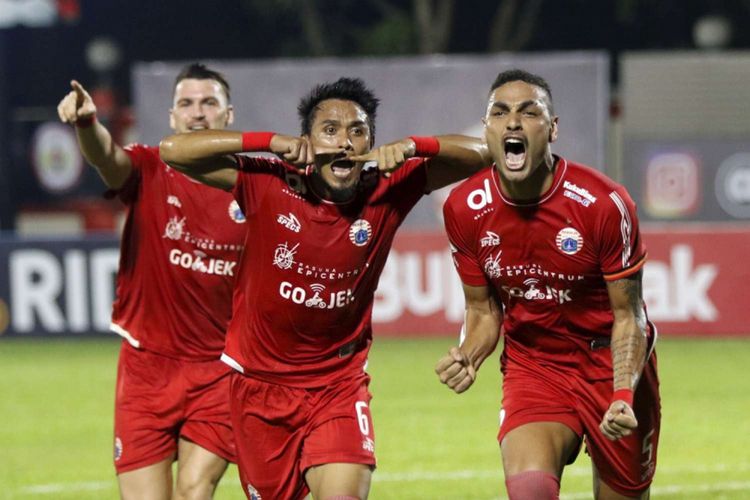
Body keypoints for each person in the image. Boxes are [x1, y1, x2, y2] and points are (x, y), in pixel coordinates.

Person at [159, 76, 489, 500]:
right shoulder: (268, 180)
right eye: (330, 130)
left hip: (338, 385)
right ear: (308, 141)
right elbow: (173, 151)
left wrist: (412, 146)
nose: (345, 142)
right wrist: (270, 141)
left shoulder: (389, 186)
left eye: (358, 130)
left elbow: (481, 154)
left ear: (372, 140)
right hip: (258, 387)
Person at [435, 69, 660, 499]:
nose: (513, 122)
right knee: (530, 490)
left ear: (552, 129)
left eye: (529, 112)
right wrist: (468, 355)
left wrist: (622, 392)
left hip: (609, 363)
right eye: (500, 113)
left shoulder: (603, 204)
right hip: (535, 365)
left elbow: (629, 316)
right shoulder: (465, 208)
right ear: (488, 130)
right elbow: (483, 311)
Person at [57, 63, 244, 500]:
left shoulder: (253, 186)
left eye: (209, 102)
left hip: (221, 370)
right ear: (172, 116)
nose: (198, 113)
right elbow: (107, 156)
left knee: (194, 491)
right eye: (187, 103)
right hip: (147, 370)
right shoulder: (149, 168)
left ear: (228, 115)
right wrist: (87, 123)